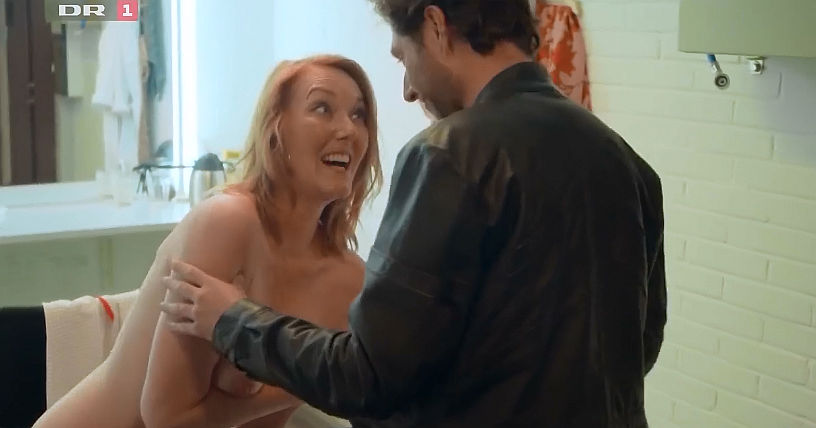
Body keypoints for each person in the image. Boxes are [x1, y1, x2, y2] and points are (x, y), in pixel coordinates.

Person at [162, 0, 667, 426]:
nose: (407, 89)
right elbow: (635, 348)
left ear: (435, 26)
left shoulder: (450, 153)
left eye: (403, 58)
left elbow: (367, 379)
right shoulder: (627, 163)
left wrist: (233, 320)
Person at [33, 54, 383, 428]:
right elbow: (168, 419)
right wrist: (304, 383)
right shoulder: (228, 222)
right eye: (322, 108)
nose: (348, 129)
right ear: (276, 129)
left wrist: (316, 378)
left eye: (359, 114)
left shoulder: (350, 280)